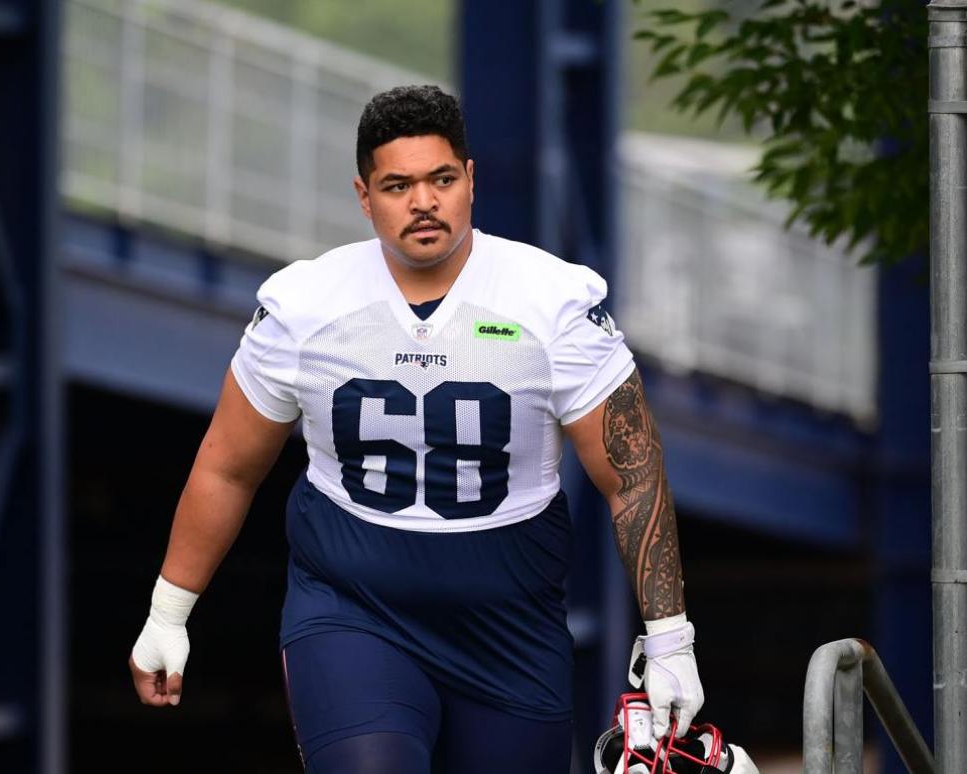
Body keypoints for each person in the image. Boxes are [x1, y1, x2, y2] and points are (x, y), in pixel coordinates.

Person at [129, 85, 704, 774]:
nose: (423, 202)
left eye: (441, 179)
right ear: (363, 196)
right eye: (397, 185)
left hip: (509, 627)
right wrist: (168, 611)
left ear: (470, 180)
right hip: (354, 607)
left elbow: (632, 478)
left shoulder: (549, 301)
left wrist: (671, 639)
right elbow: (228, 466)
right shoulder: (306, 306)